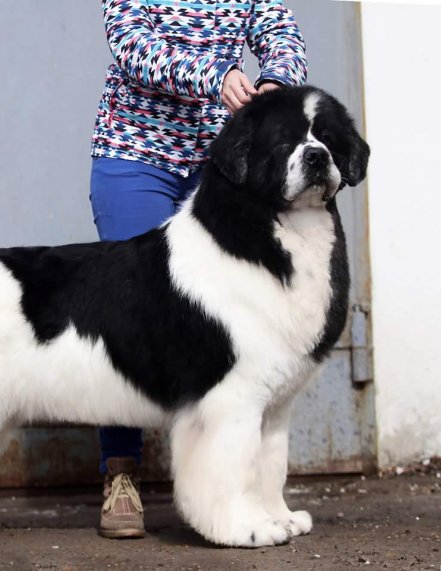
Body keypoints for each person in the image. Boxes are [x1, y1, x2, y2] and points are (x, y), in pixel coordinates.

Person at [89, 0, 307, 539]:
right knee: (129, 312)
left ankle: (234, 487)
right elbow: (133, 47)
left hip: (224, 158)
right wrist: (218, 75)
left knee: (239, 323)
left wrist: (276, 81)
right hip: (135, 150)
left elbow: (283, 34)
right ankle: (120, 475)